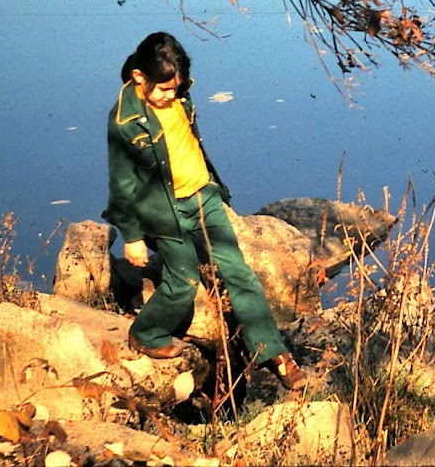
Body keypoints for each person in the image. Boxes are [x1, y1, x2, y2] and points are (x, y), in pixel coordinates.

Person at [104, 31, 305, 390]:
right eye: (163, 90)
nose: (171, 96)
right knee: (183, 283)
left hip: (203, 199)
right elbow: (122, 184)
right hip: (164, 213)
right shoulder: (124, 122)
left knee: (239, 273)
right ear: (139, 78)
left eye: (176, 89)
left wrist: (213, 190)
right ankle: (147, 332)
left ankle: (272, 352)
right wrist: (132, 237)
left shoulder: (179, 97)